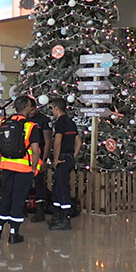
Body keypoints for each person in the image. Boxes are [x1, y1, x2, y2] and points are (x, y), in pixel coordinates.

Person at [0, 96, 41, 244]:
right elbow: (35, 150)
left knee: (6, 197)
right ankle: (14, 233)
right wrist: (34, 168)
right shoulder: (31, 126)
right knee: (18, 199)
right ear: (26, 107)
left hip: (7, 166)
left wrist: (2, 163)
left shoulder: (3, 123)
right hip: (24, 169)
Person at [49, 98, 81, 230]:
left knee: (61, 188)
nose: (52, 111)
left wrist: (56, 159)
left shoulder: (60, 123)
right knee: (58, 187)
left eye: (52, 108)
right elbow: (78, 142)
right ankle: (57, 216)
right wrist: (72, 156)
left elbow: (57, 142)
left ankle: (64, 219)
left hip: (61, 158)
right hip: (68, 158)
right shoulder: (71, 122)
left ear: (56, 108)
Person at [27, 98, 52, 223]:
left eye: (32, 109)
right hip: (25, 158)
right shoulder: (24, 119)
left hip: (39, 155)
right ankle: (24, 207)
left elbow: (48, 141)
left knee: (39, 183)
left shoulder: (43, 120)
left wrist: (44, 159)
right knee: (25, 182)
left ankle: (40, 210)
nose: (30, 112)